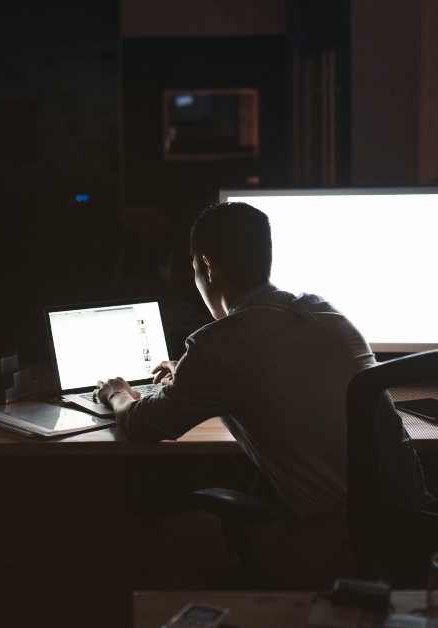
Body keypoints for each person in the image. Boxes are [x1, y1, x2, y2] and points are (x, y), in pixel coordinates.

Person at [95, 201, 376, 589]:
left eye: (193, 267)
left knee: (179, 537)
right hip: (404, 530)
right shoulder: (328, 314)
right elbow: (269, 366)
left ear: (208, 267)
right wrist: (190, 373)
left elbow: (144, 425)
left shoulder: (218, 344)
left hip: (333, 549)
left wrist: (117, 393)